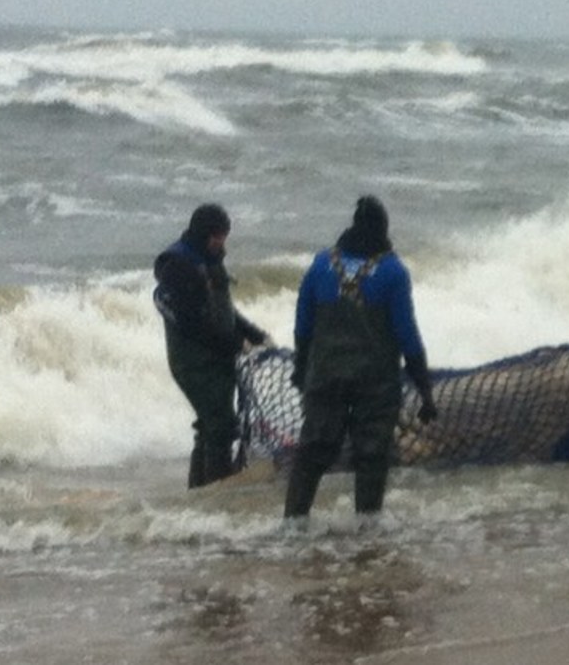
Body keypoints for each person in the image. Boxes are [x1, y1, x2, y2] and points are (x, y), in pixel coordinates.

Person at [284, 195, 438, 530]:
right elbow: (407, 335)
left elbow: (303, 326)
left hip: (324, 376)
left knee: (313, 453)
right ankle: (367, 532)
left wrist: (301, 369)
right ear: (383, 229)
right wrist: (425, 391)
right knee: (371, 455)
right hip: (376, 383)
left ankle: (292, 526)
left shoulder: (322, 264)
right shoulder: (393, 272)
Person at [154, 203, 270, 488]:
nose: (222, 242)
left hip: (217, 358)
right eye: (218, 236)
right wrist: (235, 343)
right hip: (193, 362)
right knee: (221, 426)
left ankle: (200, 495)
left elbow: (226, 313)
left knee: (210, 426)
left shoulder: (210, 258)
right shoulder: (178, 266)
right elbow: (194, 324)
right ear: (204, 234)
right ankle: (218, 494)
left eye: (224, 236)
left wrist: (255, 335)